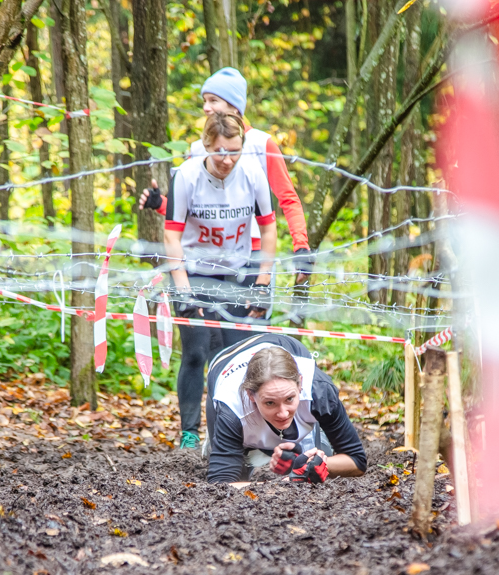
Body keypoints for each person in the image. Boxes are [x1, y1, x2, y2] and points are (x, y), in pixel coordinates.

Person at [158, 112, 276, 451]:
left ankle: (235, 431)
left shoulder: (253, 172)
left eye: (235, 151)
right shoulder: (186, 176)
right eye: (220, 151)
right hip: (194, 272)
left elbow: (268, 229)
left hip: (238, 271)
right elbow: (171, 236)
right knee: (196, 352)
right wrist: (183, 290)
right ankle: (190, 434)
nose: (227, 160)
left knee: (238, 354)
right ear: (206, 146)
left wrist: (263, 283)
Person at [140, 67, 313, 284]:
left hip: (255, 252)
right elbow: (187, 211)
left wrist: (301, 247)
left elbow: (288, 198)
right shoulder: (199, 148)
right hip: (207, 257)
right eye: (204, 101)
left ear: (234, 105)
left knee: (251, 316)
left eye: (213, 101)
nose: (205, 108)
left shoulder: (262, 144)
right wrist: (159, 203)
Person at [204, 333, 367, 484]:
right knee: (239, 471)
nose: (283, 413)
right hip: (224, 363)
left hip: (286, 346)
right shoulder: (230, 407)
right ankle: (244, 447)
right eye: (270, 403)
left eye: (289, 399)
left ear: (300, 384)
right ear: (251, 395)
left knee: (318, 457)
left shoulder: (319, 391)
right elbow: (221, 484)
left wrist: (314, 465)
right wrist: (285, 484)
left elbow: (357, 461)